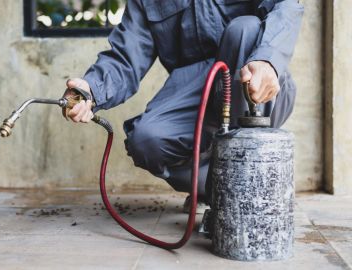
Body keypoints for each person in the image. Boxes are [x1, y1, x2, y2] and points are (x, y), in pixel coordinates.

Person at [63, 0, 303, 205]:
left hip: (255, 83)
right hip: (193, 89)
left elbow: (287, 4)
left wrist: (269, 59)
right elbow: (126, 57)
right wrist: (91, 89)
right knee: (146, 141)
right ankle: (214, 187)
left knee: (245, 29)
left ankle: (242, 190)